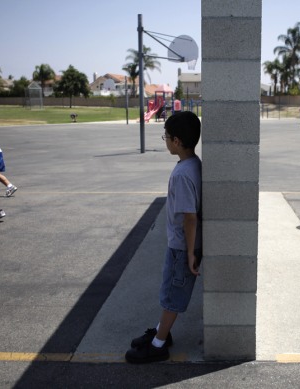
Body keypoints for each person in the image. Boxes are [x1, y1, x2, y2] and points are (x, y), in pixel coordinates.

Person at [125, 111, 202, 364]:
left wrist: (190, 253)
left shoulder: (182, 175)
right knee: (170, 292)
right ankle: (162, 332)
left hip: (181, 248)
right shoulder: (193, 164)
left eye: (166, 137)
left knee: (171, 296)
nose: (165, 141)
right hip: (181, 245)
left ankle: (158, 345)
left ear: (177, 141)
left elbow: (190, 216)